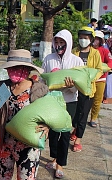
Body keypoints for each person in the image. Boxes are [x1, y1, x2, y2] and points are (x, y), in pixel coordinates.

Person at [0, 49, 49, 179]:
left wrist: (47, 126)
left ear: (27, 69)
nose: (14, 70)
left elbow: (49, 113)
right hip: (6, 143)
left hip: (28, 146)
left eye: (18, 67)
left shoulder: (38, 89)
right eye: (11, 68)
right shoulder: (3, 87)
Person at [42, 29, 84, 178]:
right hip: (52, 100)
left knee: (65, 133)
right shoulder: (49, 58)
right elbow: (43, 78)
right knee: (53, 132)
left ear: (68, 44)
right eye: (57, 42)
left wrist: (70, 86)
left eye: (62, 43)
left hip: (70, 101)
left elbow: (81, 84)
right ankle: (54, 157)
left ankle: (60, 164)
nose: (59, 45)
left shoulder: (76, 61)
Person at [71, 26, 103, 152]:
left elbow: (99, 70)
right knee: (74, 114)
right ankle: (74, 129)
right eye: (80, 38)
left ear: (91, 39)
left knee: (83, 115)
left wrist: (91, 78)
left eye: (85, 38)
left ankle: (78, 139)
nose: (82, 40)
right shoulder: (74, 51)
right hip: (74, 89)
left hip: (88, 90)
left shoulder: (95, 53)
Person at [89, 31, 112, 127]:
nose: (95, 41)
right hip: (89, 79)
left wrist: (104, 69)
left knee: (97, 100)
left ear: (101, 41)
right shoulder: (88, 50)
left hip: (101, 79)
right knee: (86, 100)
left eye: (98, 39)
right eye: (94, 38)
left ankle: (93, 118)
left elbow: (110, 62)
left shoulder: (105, 51)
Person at [103, 37, 112, 104]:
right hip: (108, 65)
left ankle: (109, 98)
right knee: (107, 81)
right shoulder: (106, 44)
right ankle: (107, 96)